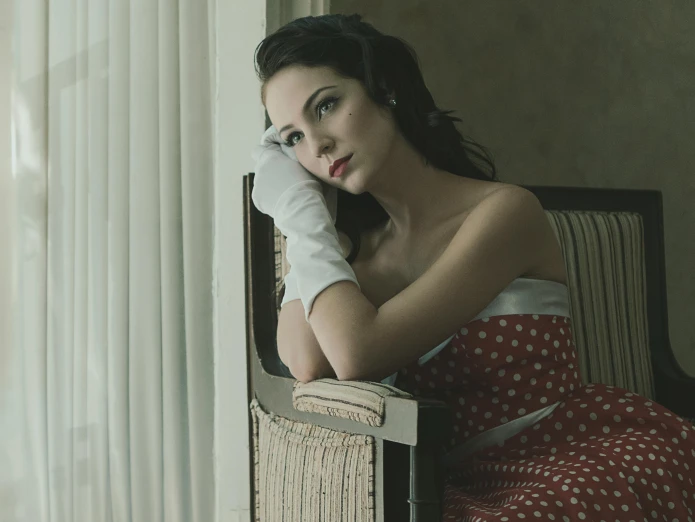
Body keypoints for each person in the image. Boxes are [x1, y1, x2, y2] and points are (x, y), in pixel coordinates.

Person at [251, 13, 695, 521]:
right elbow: (307, 363)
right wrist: (306, 213)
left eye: (326, 106)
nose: (317, 145)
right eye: (292, 139)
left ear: (385, 87)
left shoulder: (504, 213)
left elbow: (356, 354)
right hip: (465, 485)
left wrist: (306, 222)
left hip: (577, 454)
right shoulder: (359, 259)